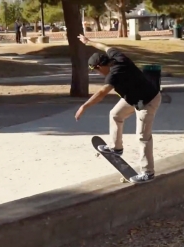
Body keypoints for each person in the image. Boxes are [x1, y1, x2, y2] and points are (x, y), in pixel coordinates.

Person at [75, 34, 162, 184]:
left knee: (143, 137)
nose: (98, 73)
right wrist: (88, 42)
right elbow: (104, 47)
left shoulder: (114, 74)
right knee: (115, 114)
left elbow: (101, 93)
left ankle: (148, 173)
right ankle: (116, 148)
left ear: (101, 66)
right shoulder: (116, 56)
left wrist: (84, 106)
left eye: (96, 70)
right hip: (134, 98)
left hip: (148, 101)